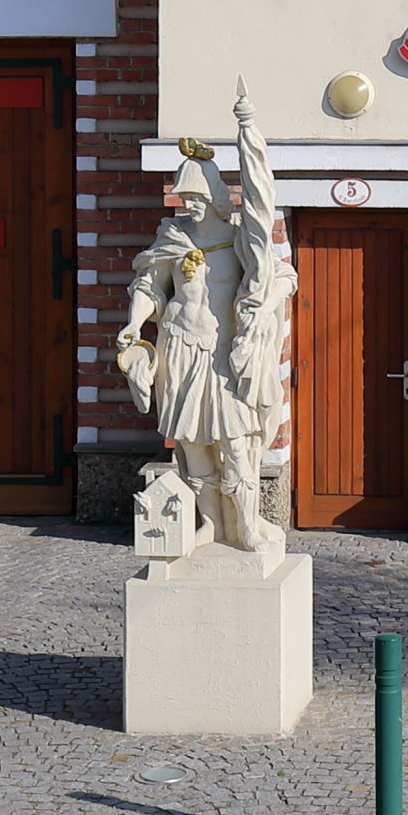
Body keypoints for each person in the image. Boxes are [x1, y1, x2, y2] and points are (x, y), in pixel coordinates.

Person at [113, 95, 291, 555]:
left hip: (223, 354)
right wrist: (134, 324)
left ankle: (246, 527)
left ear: (214, 196)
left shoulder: (239, 239)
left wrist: (262, 309)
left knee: (236, 446)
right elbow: (150, 286)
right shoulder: (171, 237)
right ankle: (211, 524)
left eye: (196, 198)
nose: (189, 205)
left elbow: (281, 277)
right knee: (191, 447)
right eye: (185, 197)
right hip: (179, 350)